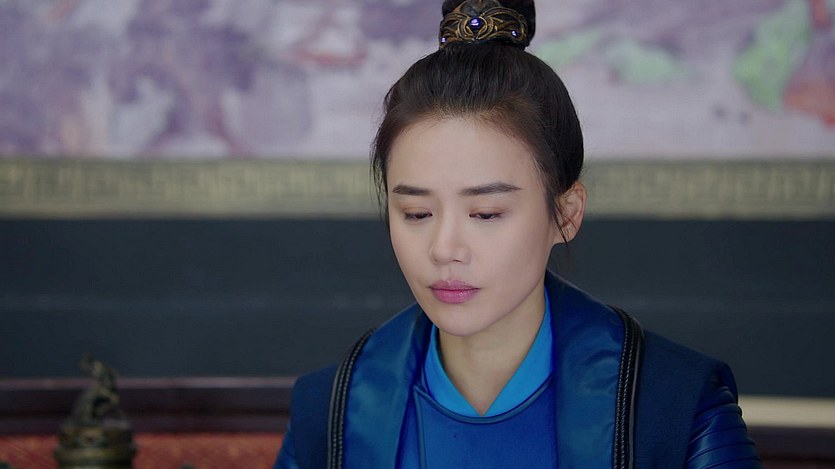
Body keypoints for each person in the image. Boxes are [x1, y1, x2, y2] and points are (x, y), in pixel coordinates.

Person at [275, 0, 763, 467]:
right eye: (417, 213)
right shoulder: (331, 411)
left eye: (486, 214)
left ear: (565, 214)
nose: (444, 249)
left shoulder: (675, 406)